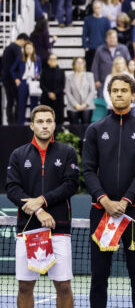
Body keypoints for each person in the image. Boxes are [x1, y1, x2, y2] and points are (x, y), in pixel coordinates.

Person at [82, 74, 135, 308]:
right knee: (99, 276)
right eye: (115, 90)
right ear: (110, 94)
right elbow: (88, 170)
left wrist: (125, 201)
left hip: (134, 212)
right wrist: (105, 201)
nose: (119, 94)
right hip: (101, 212)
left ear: (133, 95)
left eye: (124, 90)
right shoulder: (95, 129)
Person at [6, 105, 77, 308]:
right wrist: (38, 209)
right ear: (32, 125)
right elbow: (12, 188)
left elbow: (70, 184)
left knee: (63, 286)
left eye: (48, 121)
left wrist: (42, 200)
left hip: (59, 229)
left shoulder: (67, 152)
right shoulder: (18, 155)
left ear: (54, 125)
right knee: (25, 287)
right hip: (28, 229)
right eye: (40, 121)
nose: (44, 126)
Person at [91, 29, 131, 97]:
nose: (112, 39)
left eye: (114, 37)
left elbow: (129, 63)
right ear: (106, 39)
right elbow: (95, 66)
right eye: (110, 38)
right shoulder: (100, 50)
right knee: (105, 103)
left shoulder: (123, 49)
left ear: (117, 38)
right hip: (103, 82)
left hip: (121, 81)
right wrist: (96, 80)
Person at [12, 41, 41, 124]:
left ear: (33, 49)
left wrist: (38, 75)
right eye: (27, 48)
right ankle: (20, 125)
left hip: (34, 82)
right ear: (24, 49)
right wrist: (16, 79)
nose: (29, 50)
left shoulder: (37, 59)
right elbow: (12, 69)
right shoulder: (20, 58)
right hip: (23, 83)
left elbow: (40, 70)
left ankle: (34, 124)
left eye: (30, 48)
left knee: (34, 105)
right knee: (22, 104)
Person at [2, 33, 28, 124]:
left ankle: (10, 121)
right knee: (18, 100)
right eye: (25, 44)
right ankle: (16, 121)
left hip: (5, 78)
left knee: (10, 101)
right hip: (12, 79)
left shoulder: (7, 48)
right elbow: (20, 63)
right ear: (22, 40)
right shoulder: (16, 48)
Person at [65, 56, 96, 124]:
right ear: (74, 64)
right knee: (74, 129)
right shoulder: (69, 77)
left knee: (86, 128)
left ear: (84, 64)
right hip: (73, 106)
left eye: (82, 62)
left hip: (87, 106)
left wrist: (85, 104)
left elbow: (92, 91)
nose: (80, 64)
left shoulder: (90, 75)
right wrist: (76, 105)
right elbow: (68, 92)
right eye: (78, 62)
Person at [40, 54, 65, 124]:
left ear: (57, 61)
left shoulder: (61, 72)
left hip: (58, 98)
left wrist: (55, 93)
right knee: (46, 118)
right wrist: (49, 93)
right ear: (48, 61)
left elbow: (62, 85)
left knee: (58, 118)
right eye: (51, 59)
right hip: (46, 98)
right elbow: (42, 85)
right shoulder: (44, 72)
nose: (53, 61)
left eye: (54, 59)